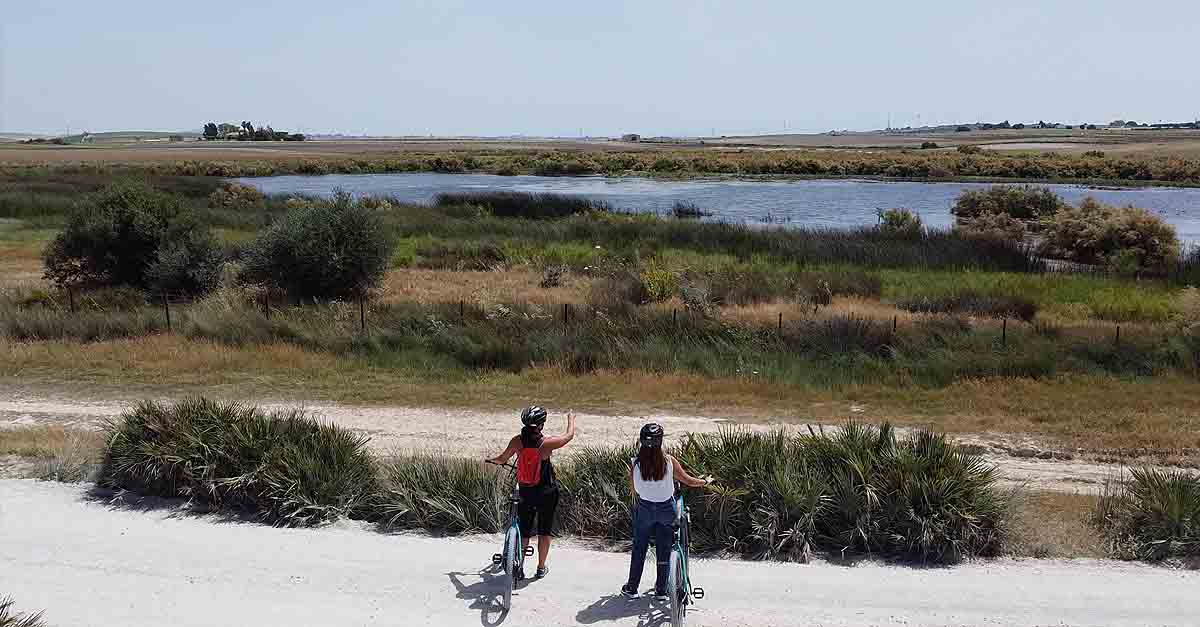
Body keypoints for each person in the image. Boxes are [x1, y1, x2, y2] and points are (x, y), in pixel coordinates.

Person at [621, 422, 710, 599]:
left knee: (640, 547)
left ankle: (632, 587)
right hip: (665, 509)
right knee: (664, 547)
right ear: (660, 441)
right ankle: (661, 590)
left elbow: (634, 490)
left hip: (645, 508)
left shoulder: (636, 463)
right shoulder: (668, 461)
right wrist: (705, 482)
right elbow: (688, 481)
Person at [487, 405, 576, 581]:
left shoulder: (517, 442)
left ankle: (518, 567)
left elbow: (502, 459)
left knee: (525, 530)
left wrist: (491, 460)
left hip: (526, 491)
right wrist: (571, 420)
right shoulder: (547, 443)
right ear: (541, 424)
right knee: (545, 530)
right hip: (546, 492)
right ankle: (541, 568)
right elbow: (568, 436)